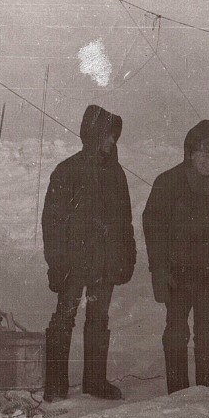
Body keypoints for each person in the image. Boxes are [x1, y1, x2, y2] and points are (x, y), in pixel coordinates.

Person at [42, 104, 136, 402]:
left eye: (113, 137)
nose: (111, 142)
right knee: (64, 317)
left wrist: (126, 256)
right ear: (92, 135)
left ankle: (95, 382)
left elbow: (125, 220)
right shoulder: (67, 171)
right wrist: (57, 264)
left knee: (99, 319)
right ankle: (56, 384)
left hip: (104, 263)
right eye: (107, 136)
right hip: (74, 264)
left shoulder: (116, 174)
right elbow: (52, 224)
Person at [143, 120, 209, 397]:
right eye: (205, 156)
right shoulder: (168, 182)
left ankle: (207, 386)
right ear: (190, 154)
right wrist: (159, 270)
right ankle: (177, 389)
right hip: (178, 274)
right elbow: (154, 229)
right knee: (176, 331)